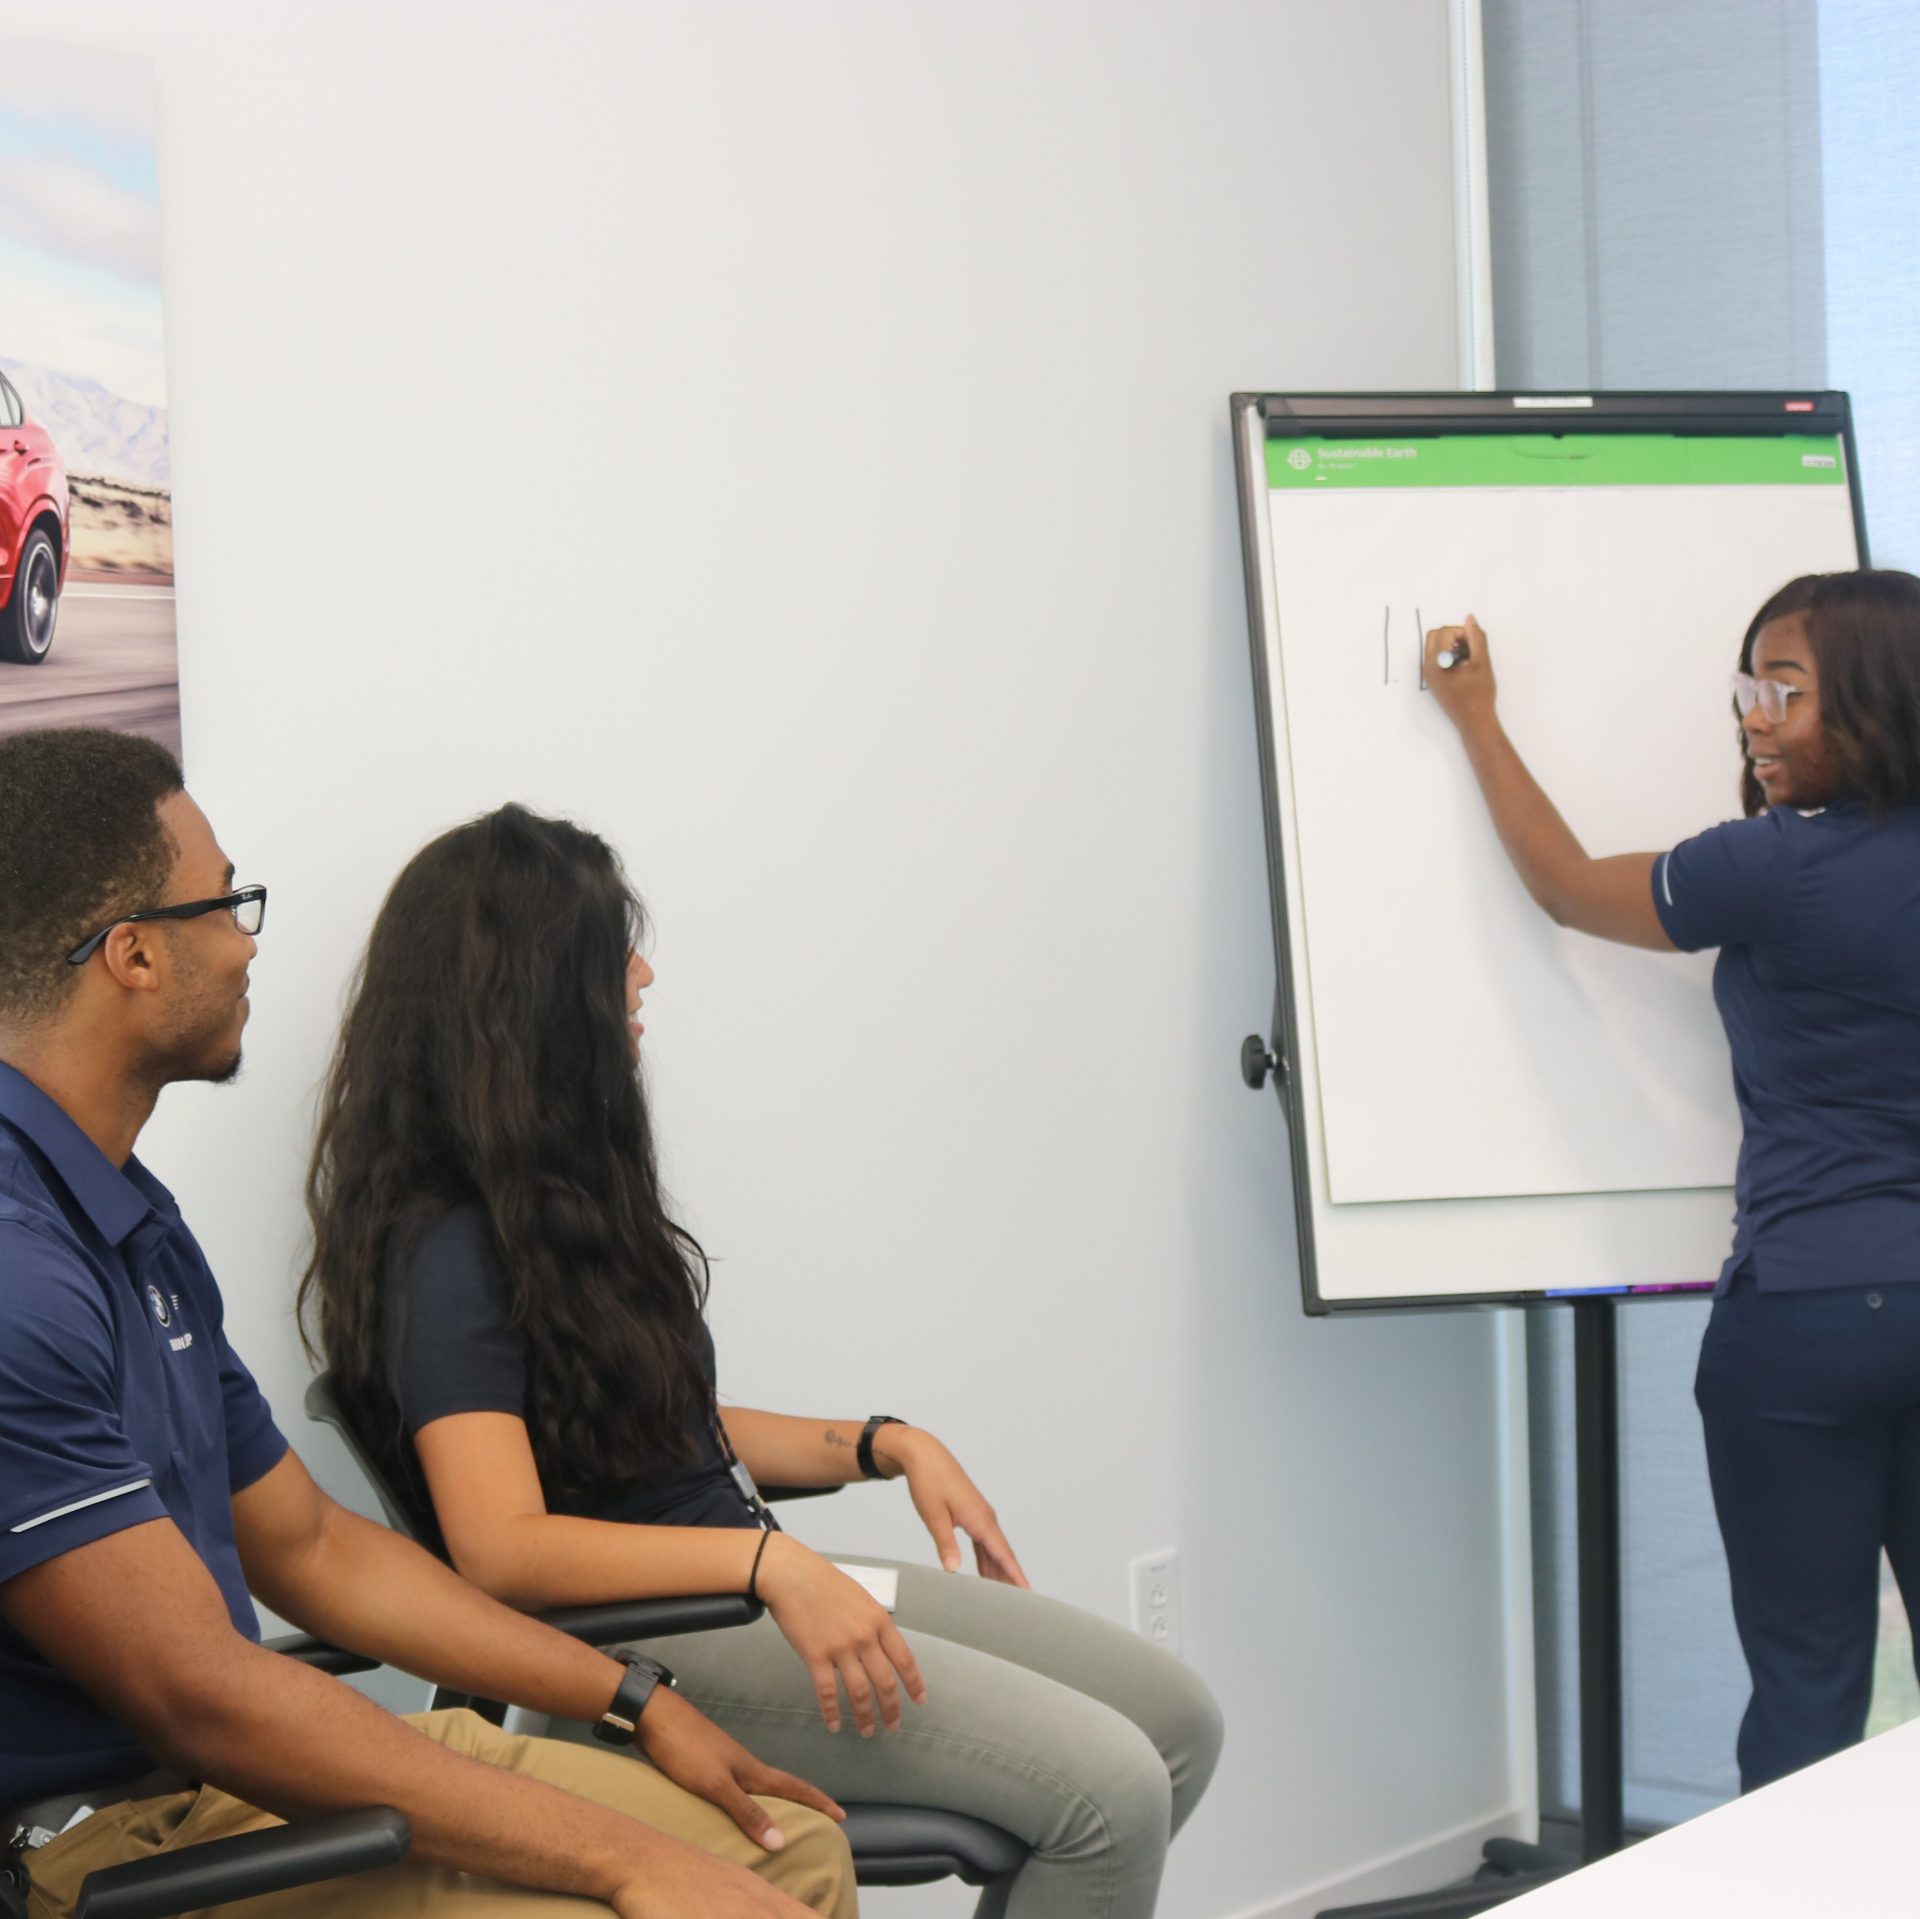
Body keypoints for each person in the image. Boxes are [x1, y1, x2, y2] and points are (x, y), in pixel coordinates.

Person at [300, 803, 1225, 1919]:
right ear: (538, 998)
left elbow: (657, 1420)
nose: (641, 975)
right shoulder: (450, 1251)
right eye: (612, 953)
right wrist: (767, 1568)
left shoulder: (551, 1200)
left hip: (737, 1580)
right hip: (656, 1645)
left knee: (1175, 1721)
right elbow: (500, 1550)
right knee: (1110, 1788)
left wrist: (884, 1443)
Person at [0, 728, 856, 1919]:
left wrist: (630, 1695)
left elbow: (312, 1548)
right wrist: (622, 1855)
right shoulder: (16, 1272)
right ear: (135, 954)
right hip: (103, 1843)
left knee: (787, 1853)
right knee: (673, 1892)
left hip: (220, 1780)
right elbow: (199, 1692)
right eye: (224, 904)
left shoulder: (127, 1215)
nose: (247, 942)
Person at [1421, 569, 1920, 1792]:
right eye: (1749, 686)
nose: (1753, 715)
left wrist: (1477, 714)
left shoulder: (1771, 865)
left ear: (1873, 698)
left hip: (1804, 1315)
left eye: (1786, 690)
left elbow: (1562, 885)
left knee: (1808, 1689)